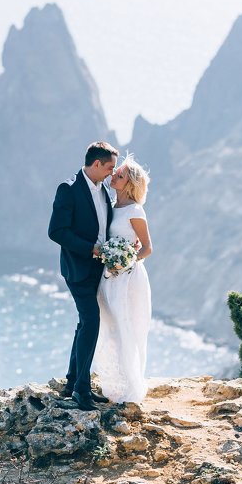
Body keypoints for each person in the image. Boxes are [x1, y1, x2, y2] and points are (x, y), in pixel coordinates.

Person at [48, 141, 118, 411]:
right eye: (110, 167)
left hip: (99, 269)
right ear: (97, 164)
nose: (113, 172)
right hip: (77, 268)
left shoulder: (102, 190)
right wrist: (90, 248)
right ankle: (81, 389)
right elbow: (56, 231)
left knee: (84, 323)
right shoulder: (68, 189)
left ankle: (72, 380)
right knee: (91, 321)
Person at [93, 156, 153, 404]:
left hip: (128, 278)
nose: (114, 174)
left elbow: (147, 247)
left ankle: (130, 387)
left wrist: (125, 262)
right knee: (110, 327)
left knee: (128, 327)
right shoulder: (109, 204)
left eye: (121, 173)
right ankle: (112, 385)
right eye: (116, 171)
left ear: (130, 182)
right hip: (109, 278)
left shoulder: (135, 210)